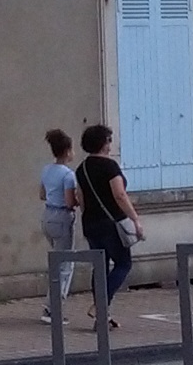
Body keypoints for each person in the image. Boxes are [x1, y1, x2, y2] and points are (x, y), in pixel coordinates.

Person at [75, 123, 144, 324]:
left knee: (100, 266)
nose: (111, 144)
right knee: (123, 263)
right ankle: (100, 305)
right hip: (111, 223)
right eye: (109, 140)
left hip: (90, 222)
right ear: (104, 143)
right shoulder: (110, 166)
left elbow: (81, 198)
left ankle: (102, 315)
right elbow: (120, 195)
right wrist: (135, 219)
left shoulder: (82, 168)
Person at [37, 129, 81, 321]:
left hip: (47, 215)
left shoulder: (47, 170)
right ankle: (53, 308)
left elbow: (42, 194)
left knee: (56, 262)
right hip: (62, 217)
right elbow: (70, 201)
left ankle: (50, 304)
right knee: (65, 265)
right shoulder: (68, 175)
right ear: (67, 151)